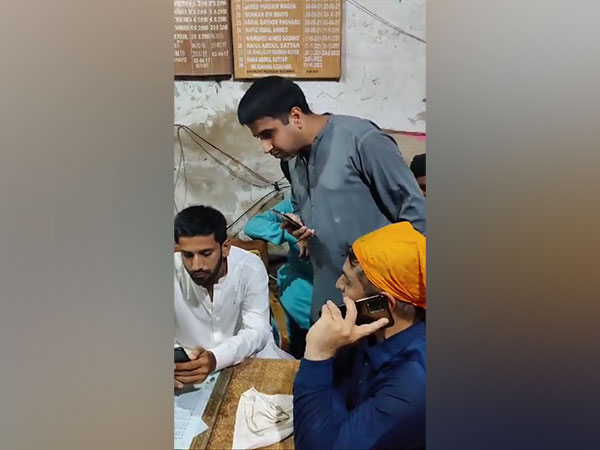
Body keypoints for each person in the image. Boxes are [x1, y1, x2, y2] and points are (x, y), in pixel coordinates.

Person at [237, 76, 426, 324]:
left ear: (295, 116)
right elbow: (302, 204)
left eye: (268, 134)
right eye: (259, 138)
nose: (265, 147)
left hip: (380, 301)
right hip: (328, 294)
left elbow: (416, 218)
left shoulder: (362, 141)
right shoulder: (292, 161)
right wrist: (300, 228)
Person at [293, 222, 426, 450]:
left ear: (383, 304)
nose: (338, 285)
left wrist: (318, 355)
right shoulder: (370, 332)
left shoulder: (413, 385)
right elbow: (337, 391)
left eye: (347, 280)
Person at [174, 205, 289, 389]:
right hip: (189, 372)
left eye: (206, 254)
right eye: (188, 255)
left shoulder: (250, 267)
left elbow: (258, 330)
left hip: (247, 361)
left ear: (225, 247)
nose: (196, 265)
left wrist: (215, 358)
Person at [244, 198, 313, 358]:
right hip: (296, 293)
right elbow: (253, 225)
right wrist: (292, 235)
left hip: (337, 294)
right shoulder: (299, 202)